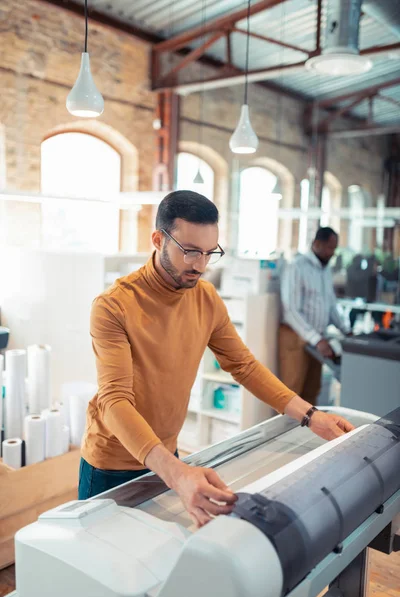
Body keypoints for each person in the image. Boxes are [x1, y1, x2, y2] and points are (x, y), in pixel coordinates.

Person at [79, 194, 354, 527]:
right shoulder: (113, 306)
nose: (200, 265)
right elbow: (114, 400)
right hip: (112, 464)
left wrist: (311, 416)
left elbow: (245, 366)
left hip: (167, 456)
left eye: (210, 253)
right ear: (157, 240)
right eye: (190, 250)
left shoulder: (206, 297)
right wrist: (175, 473)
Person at [279, 227, 351, 405]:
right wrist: (317, 340)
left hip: (317, 339)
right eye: (329, 247)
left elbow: (331, 305)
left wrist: (346, 331)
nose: (332, 252)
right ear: (316, 244)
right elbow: (291, 310)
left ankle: (306, 432)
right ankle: (288, 432)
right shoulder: (296, 267)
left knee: (312, 392)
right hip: (296, 337)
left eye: (334, 248)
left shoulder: (325, 270)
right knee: (292, 394)